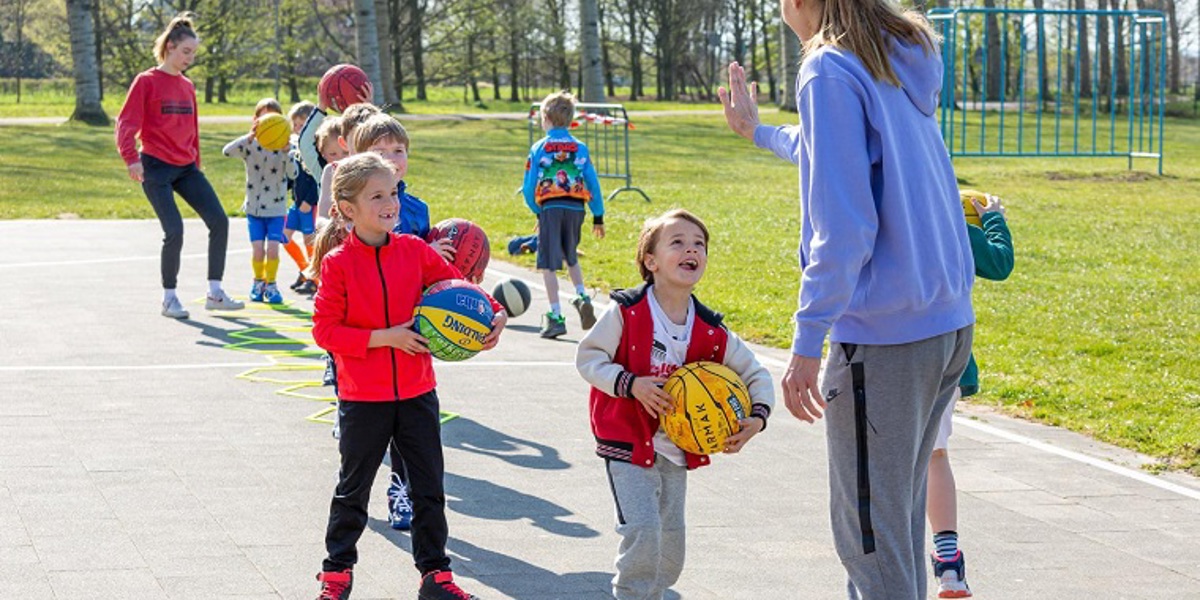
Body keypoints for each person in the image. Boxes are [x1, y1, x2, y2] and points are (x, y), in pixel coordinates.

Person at [719, 0, 975, 597]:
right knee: (895, 526)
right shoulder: (893, 55)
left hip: (885, 342)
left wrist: (807, 341)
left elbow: (846, 225)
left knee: (871, 540)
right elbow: (831, 152)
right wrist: (758, 131)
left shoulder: (829, 68)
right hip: (944, 327)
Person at [310, 152, 507, 600]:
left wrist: (495, 315)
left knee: (428, 488)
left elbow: (462, 287)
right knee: (353, 489)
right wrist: (386, 338)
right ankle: (337, 572)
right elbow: (326, 330)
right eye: (376, 196)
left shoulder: (415, 252)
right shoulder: (339, 264)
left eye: (393, 192)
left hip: (418, 392)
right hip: (364, 398)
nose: (390, 203)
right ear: (347, 208)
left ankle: (435, 576)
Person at [576, 209, 774, 600]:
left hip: (679, 447)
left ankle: (653, 593)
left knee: (671, 552)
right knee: (643, 533)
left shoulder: (711, 330)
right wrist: (630, 384)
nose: (692, 250)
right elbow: (589, 358)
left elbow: (757, 374)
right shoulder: (626, 312)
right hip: (628, 443)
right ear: (650, 261)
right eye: (678, 242)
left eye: (699, 244)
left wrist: (756, 418)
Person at [114, 12, 244, 319]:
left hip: (186, 168)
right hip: (155, 168)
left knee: (220, 221)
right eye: (186, 51)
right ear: (170, 46)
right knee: (175, 230)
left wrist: (195, 162)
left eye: (193, 53)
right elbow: (126, 123)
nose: (190, 58)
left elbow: (192, 129)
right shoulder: (146, 82)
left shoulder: (187, 86)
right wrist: (131, 158)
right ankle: (169, 299)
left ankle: (215, 292)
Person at [927, 192, 1013, 598]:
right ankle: (947, 563)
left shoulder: (890, 219)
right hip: (947, 357)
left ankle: (920, 557)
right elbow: (999, 263)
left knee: (900, 463)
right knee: (933, 456)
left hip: (895, 352)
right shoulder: (951, 223)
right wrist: (993, 218)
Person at [522, 90, 605, 339]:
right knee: (571, 256)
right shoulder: (580, 148)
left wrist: (538, 210)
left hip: (551, 206)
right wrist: (598, 215)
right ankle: (581, 296)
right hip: (576, 208)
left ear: (545, 118)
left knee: (548, 264)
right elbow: (593, 181)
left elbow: (528, 186)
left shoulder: (539, 148)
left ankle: (556, 315)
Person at [222, 98, 297, 304]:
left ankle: (271, 284)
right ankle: (258, 281)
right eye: (263, 118)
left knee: (273, 248)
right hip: (254, 210)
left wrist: (286, 153)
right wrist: (249, 136)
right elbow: (226, 151)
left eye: (272, 119)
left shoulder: (287, 149)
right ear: (256, 120)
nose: (268, 123)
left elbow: (293, 173)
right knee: (258, 250)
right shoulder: (250, 146)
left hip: (276, 209)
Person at [284, 101, 319, 294]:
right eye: (295, 125)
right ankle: (305, 269)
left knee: (309, 241)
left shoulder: (314, 149)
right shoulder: (294, 148)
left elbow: (316, 178)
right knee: (283, 236)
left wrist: (308, 200)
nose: (298, 129)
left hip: (308, 203)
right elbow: (293, 177)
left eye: (302, 125)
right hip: (296, 203)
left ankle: (314, 279)